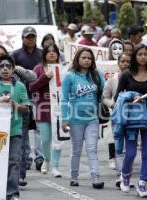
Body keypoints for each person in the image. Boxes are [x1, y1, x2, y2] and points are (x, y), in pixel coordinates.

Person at [115, 44, 147, 198]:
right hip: (131, 117)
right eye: (140, 54)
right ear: (135, 56)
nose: (143, 57)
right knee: (130, 153)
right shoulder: (126, 75)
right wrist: (130, 96)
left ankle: (142, 183)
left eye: (146, 54)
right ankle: (125, 176)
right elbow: (117, 97)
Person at [0, 54, 29, 200]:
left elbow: (26, 108)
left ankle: (12, 193)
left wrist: (15, 105)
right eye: (2, 66)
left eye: (8, 66)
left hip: (15, 130)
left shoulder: (20, 86)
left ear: (13, 69)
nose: (5, 69)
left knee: (14, 162)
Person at [61, 47, 105, 189]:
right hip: (75, 120)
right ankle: (74, 177)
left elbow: (106, 92)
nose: (86, 60)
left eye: (89, 58)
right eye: (83, 58)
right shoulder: (70, 76)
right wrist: (64, 118)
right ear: (77, 59)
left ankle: (95, 177)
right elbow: (64, 99)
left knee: (92, 149)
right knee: (76, 150)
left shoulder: (97, 74)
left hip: (92, 119)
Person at [12, 26, 44, 186]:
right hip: (22, 96)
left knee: (39, 128)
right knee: (23, 132)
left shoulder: (41, 53)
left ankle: (40, 158)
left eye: (33, 36)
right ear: (23, 38)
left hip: (39, 97)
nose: (30, 39)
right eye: (27, 37)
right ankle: (27, 159)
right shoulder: (16, 54)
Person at [29, 44, 63, 177]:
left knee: (57, 139)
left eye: (54, 51)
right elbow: (32, 87)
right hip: (43, 109)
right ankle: (46, 161)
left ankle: (55, 166)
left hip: (59, 109)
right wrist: (45, 77)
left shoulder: (63, 68)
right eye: (48, 52)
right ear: (44, 54)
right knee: (46, 139)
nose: (52, 54)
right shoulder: (38, 68)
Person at [102, 52, 131, 187]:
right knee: (119, 145)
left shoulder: (136, 78)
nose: (125, 64)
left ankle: (126, 174)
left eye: (128, 61)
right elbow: (105, 97)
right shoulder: (112, 79)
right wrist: (112, 104)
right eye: (123, 61)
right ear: (118, 63)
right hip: (117, 117)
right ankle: (120, 175)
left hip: (133, 117)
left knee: (129, 147)